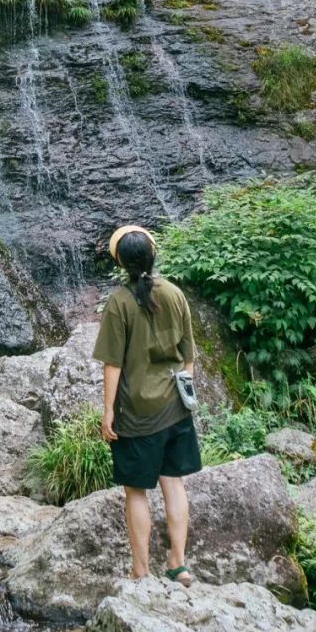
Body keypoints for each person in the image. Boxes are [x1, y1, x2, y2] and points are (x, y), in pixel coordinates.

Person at [93, 224, 201, 587]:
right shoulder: (174, 293)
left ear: (120, 263)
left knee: (136, 491)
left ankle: (141, 570)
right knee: (174, 484)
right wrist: (183, 392)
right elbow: (189, 357)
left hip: (137, 414)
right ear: (153, 256)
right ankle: (179, 563)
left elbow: (113, 365)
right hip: (176, 409)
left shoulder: (120, 303)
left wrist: (108, 411)